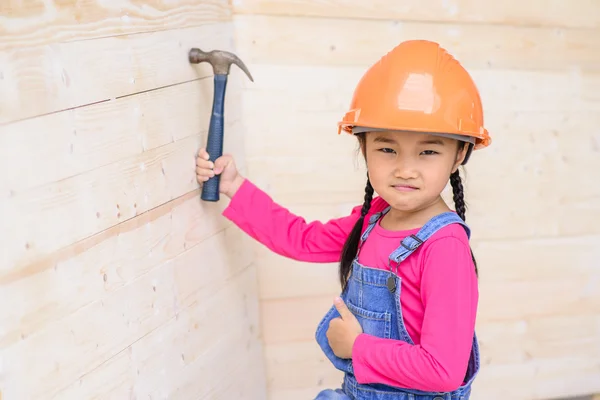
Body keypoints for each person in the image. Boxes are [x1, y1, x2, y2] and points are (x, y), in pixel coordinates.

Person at [195, 39, 492, 400]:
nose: (405, 168)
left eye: (428, 151)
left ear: (461, 152)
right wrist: (235, 186)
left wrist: (358, 347)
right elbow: (301, 240)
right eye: (387, 148)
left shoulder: (445, 249)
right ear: (362, 146)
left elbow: (444, 371)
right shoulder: (372, 221)